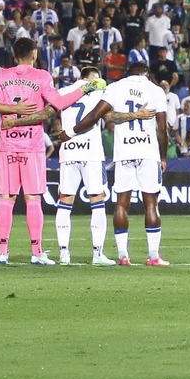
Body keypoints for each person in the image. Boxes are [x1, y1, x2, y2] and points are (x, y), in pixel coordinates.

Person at [0, 36, 94, 265]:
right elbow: (61, 104)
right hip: (32, 146)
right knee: (33, 199)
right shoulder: (42, 77)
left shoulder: (0, 76)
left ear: (14, 55)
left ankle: (3, 251)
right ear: (34, 54)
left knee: (6, 198)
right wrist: (87, 88)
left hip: (8, 146)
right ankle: (37, 252)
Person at [73, 59, 173, 266]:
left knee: (121, 203)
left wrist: (72, 132)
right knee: (151, 204)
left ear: (128, 73)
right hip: (148, 151)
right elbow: (162, 129)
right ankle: (153, 256)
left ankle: (122, 255)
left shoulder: (115, 87)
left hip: (124, 151)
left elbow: (97, 115)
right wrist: (163, 156)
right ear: (146, 73)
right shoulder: (155, 91)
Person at [48, 66, 121, 266]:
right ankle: (97, 254)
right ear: (93, 78)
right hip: (91, 152)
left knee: (65, 201)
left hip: (69, 151)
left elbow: (48, 112)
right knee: (97, 201)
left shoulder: (63, 92)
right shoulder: (100, 91)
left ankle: (63, 252)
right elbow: (109, 118)